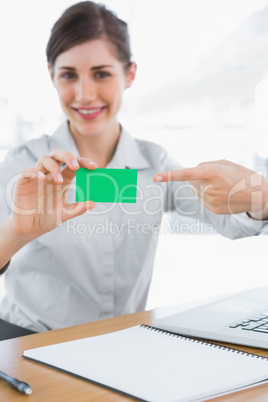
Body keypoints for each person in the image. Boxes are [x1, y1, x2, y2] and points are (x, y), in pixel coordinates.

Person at [0, 1, 268, 340]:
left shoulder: (155, 165)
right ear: (51, 76)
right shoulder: (21, 166)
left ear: (130, 74)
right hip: (23, 343)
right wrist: (14, 233)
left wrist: (258, 193)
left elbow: (232, 221)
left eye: (101, 73)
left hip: (118, 343)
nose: (85, 94)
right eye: (69, 75)